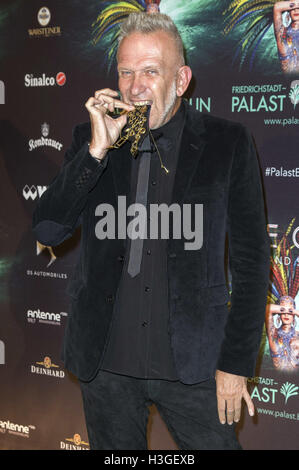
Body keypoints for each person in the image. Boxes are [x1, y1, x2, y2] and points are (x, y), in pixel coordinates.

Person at [32, 12, 270, 450]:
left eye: (149, 71)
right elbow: (48, 228)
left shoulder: (227, 143)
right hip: (106, 365)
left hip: (194, 366)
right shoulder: (93, 138)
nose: (135, 85)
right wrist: (96, 152)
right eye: (125, 71)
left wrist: (236, 364)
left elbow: (253, 265)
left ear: (181, 80)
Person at [266, 296, 299, 370]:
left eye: (290, 311)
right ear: (279, 313)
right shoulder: (273, 333)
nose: (286, 314)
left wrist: (294, 311)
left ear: (294, 314)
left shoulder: (298, 335)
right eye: (282, 311)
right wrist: (286, 309)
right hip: (274, 378)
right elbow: (268, 308)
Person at [273, 1, 299, 73]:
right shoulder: (283, 35)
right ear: (287, 11)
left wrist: (293, 4)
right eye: (292, 7)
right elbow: (277, 7)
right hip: (290, 82)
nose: (296, 10)